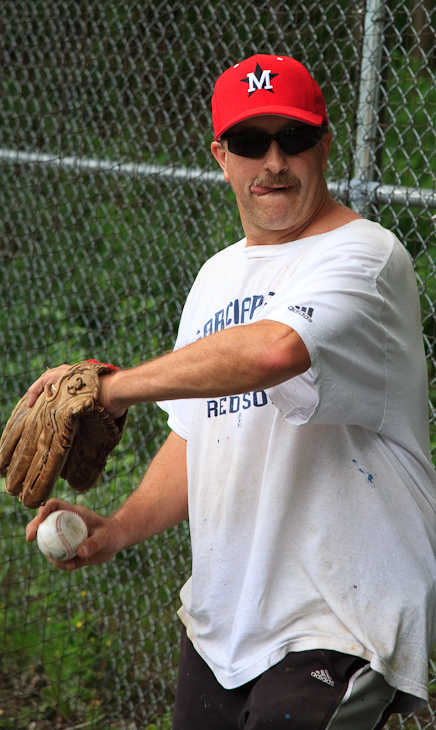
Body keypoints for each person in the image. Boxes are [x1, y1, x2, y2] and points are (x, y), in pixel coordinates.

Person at [26, 54, 436, 730]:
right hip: (223, 624)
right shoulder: (216, 277)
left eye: (293, 138)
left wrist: (113, 389)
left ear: (325, 144)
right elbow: (199, 436)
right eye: (250, 142)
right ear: (220, 155)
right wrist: (117, 529)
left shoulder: (365, 256)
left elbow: (275, 351)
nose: (273, 161)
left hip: (335, 622)